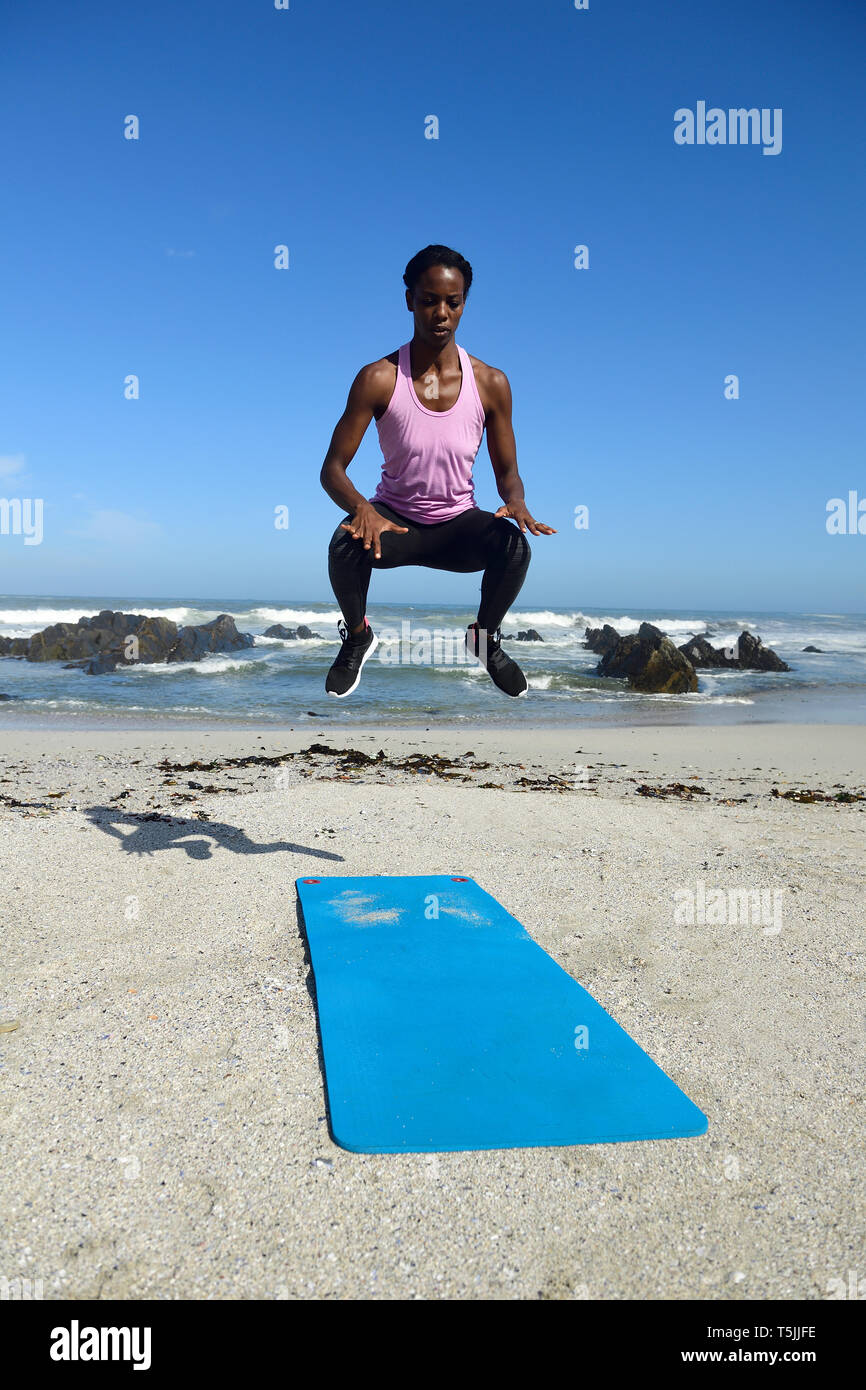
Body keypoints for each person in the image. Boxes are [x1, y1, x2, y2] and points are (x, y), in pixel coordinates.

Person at [320, 244, 555, 698]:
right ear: (409, 300)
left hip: (457, 527)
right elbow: (332, 468)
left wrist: (518, 501)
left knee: (514, 547)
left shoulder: (491, 383)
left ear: (465, 302)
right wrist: (362, 509)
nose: (441, 313)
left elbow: (508, 473)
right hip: (394, 524)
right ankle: (357, 635)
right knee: (344, 542)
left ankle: (485, 640)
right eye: (429, 300)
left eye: (453, 301)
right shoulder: (379, 377)